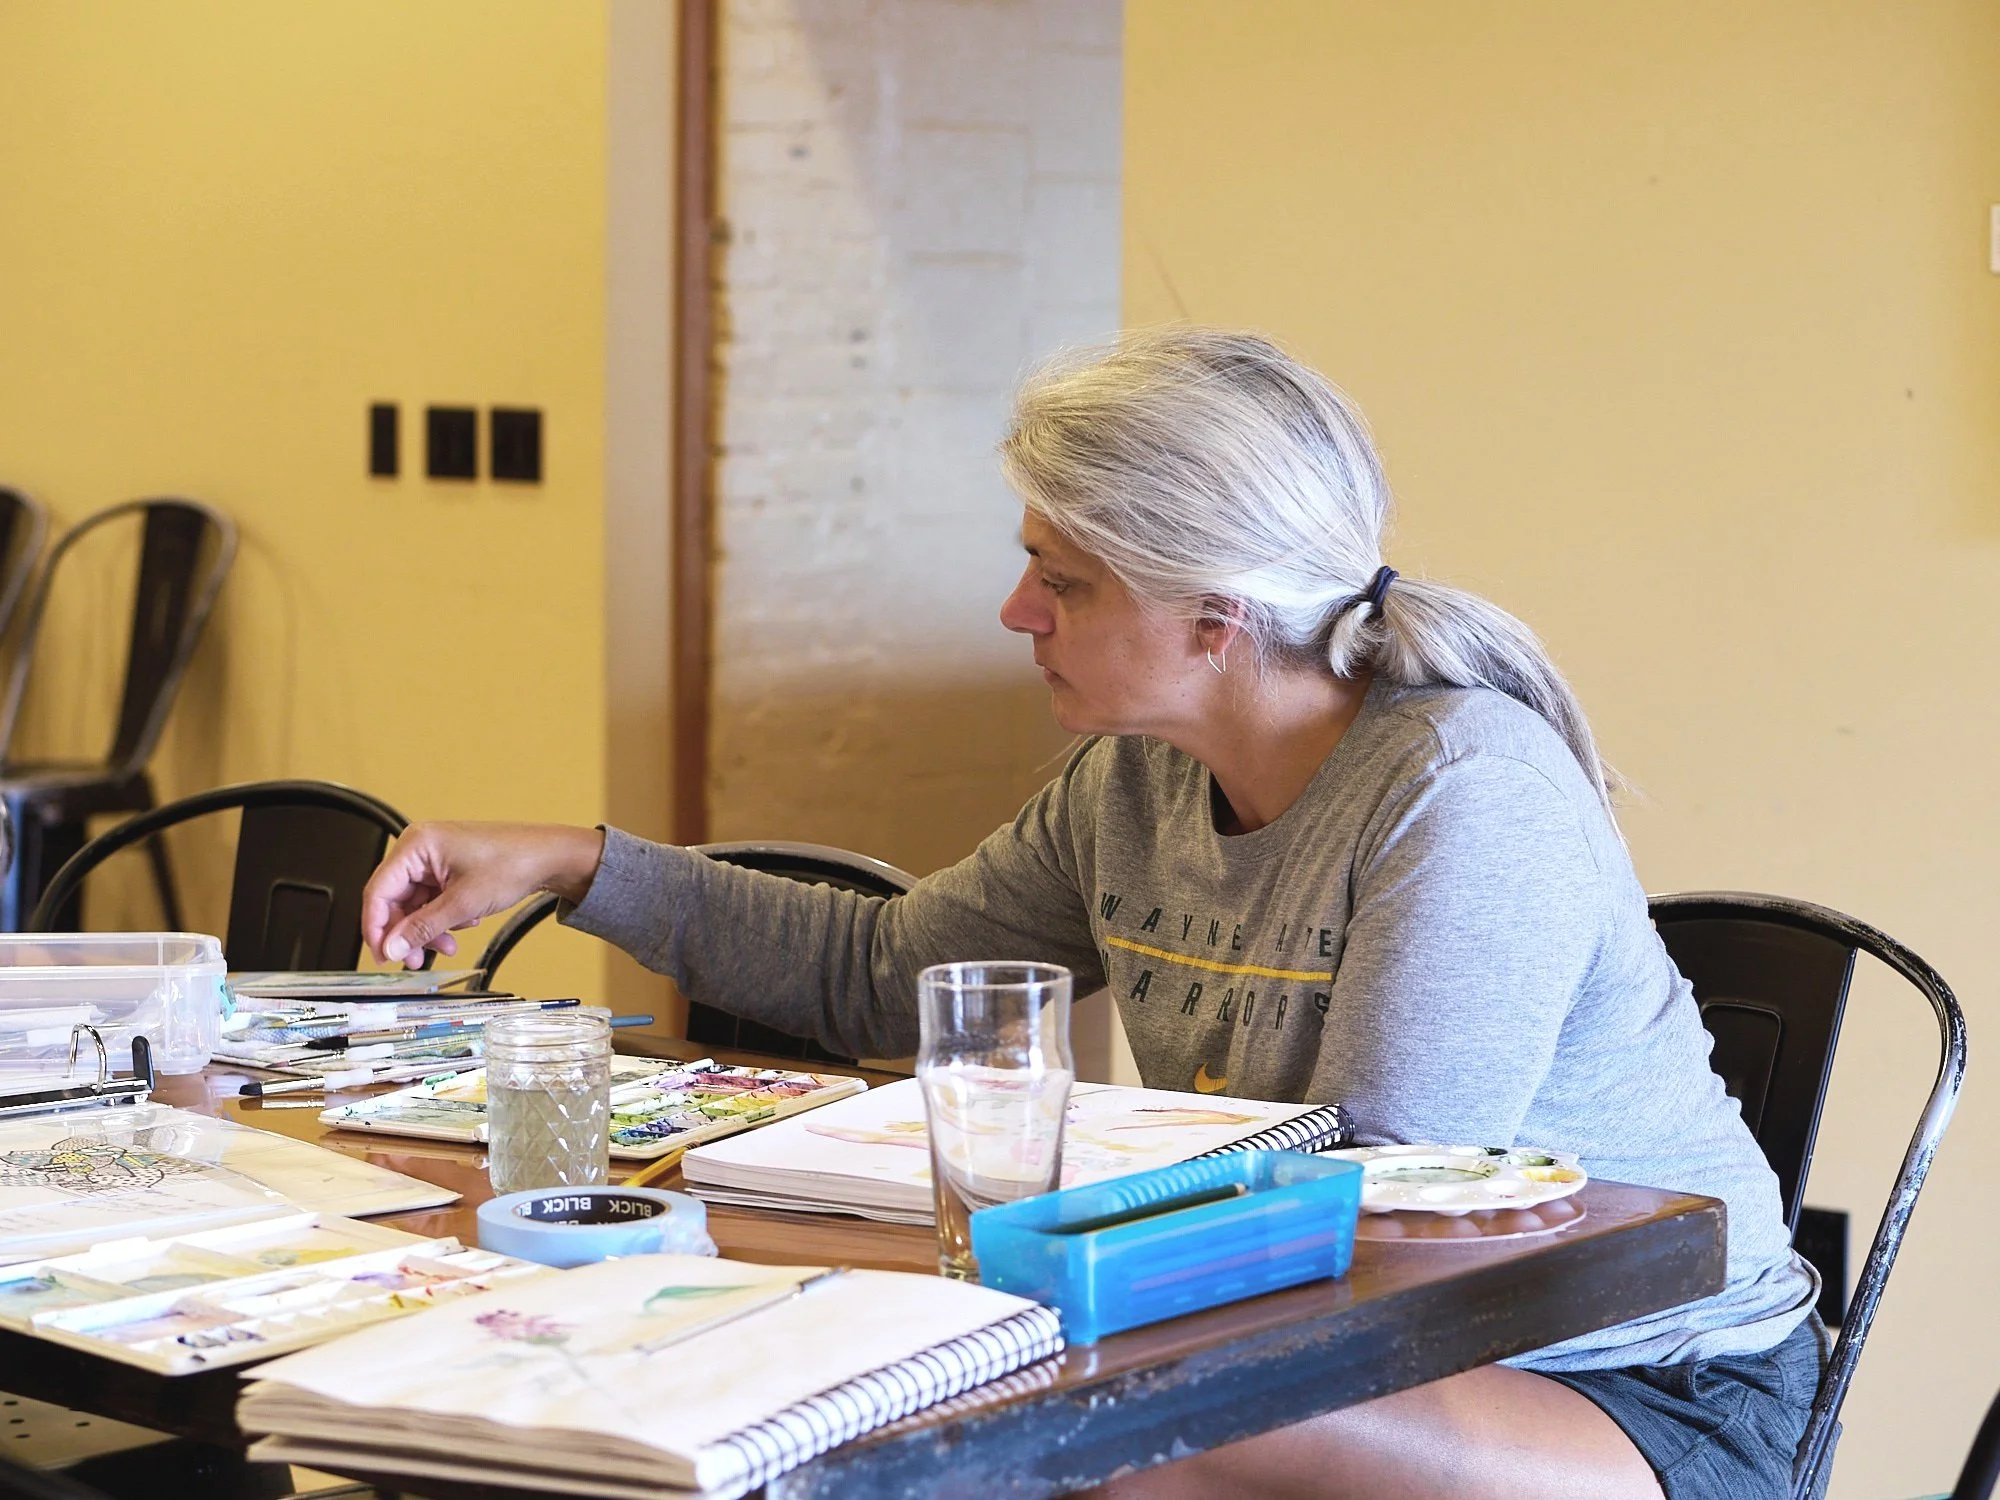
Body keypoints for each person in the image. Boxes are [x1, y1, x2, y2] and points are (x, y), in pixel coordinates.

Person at [362, 329, 1822, 1499]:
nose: (1015, 612)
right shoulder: (1129, 784)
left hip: (1634, 1381)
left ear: (1215, 615)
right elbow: (886, 969)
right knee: (989, 1400)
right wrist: (576, 861)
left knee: (1045, 1421)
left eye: (1060, 579)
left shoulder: (1463, 791)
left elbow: (1381, 1198)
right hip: (1314, 1328)